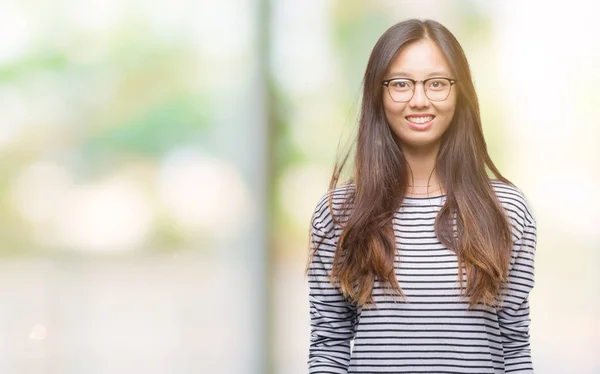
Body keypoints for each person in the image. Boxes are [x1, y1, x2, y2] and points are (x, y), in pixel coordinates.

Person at [306, 19, 537, 373]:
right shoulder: (339, 213)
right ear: (378, 93)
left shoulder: (506, 210)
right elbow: (329, 343)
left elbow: (515, 345)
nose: (419, 99)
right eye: (400, 84)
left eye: (437, 84)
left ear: (460, 92)